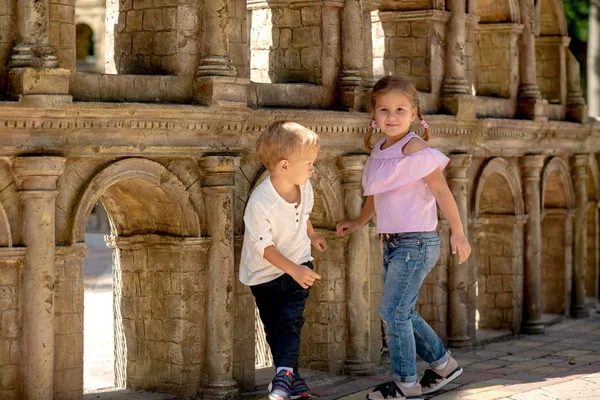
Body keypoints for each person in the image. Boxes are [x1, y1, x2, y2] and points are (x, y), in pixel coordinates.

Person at [336, 76, 471, 400]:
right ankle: (443, 365)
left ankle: (406, 384)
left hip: (417, 242)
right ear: (374, 114)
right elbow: (375, 197)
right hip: (392, 242)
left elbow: (441, 191)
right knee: (402, 310)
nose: (391, 116)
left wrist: (459, 232)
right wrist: (358, 222)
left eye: (399, 109)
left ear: (414, 113)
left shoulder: (415, 147)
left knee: (392, 311)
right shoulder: (379, 150)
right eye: (384, 109)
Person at [240, 121, 327, 400]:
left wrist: (312, 237)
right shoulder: (260, 202)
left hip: (299, 262)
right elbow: (266, 249)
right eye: (309, 163)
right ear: (285, 166)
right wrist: (295, 270)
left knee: (291, 321)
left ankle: (283, 380)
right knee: (275, 327)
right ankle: (293, 380)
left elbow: (305, 215)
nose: (313, 168)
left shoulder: (305, 186)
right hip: (264, 274)